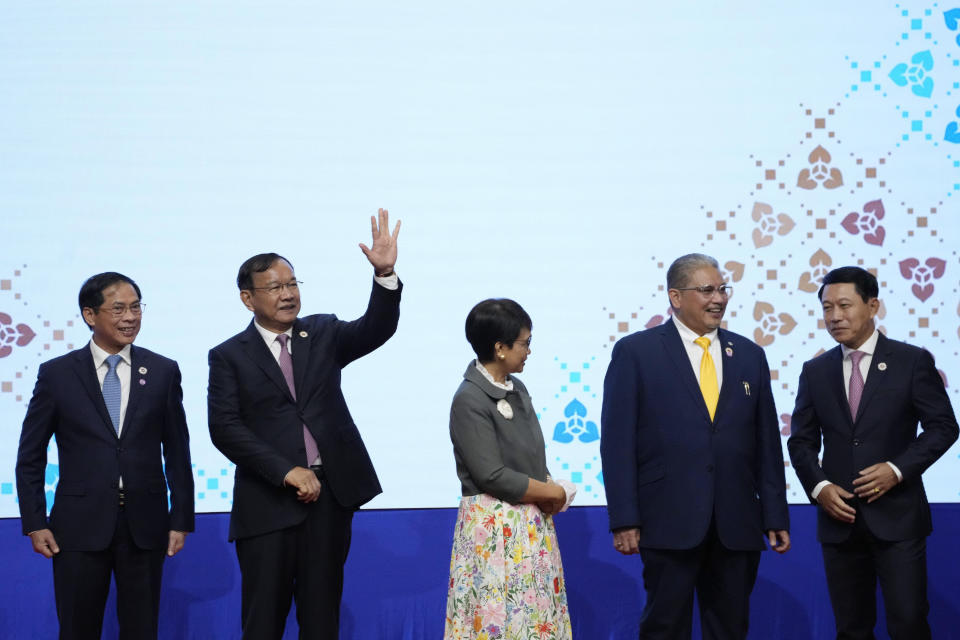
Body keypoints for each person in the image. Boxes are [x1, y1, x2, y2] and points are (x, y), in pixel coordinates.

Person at [207, 208, 401, 640]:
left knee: (321, 621)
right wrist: (285, 470)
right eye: (275, 287)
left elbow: (376, 328)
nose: (287, 293)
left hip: (329, 501)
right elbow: (224, 428)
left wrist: (385, 276)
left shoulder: (324, 333)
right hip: (267, 506)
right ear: (247, 298)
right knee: (263, 623)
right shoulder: (228, 356)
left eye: (292, 283)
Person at [600, 253, 790, 640]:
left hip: (736, 523)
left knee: (730, 628)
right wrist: (624, 518)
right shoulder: (637, 352)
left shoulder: (750, 355)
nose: (718, 298)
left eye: (723, 289)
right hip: (667, 520)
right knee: (665, 627)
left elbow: (766, 441)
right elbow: (617, 442)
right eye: (706, 290)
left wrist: (774, 514)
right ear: (675, 296)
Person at [15, 272, 194, 640]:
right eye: (118, 309)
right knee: (78, 628)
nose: (130, 317)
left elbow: (177, 450)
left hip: (145, 524)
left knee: (142, 629)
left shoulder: (162, 371)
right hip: (77, 526)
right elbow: (30, 454)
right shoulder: (57, 375)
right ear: (90, 315)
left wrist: (181, 518)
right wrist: (35, 521)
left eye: (135, 307)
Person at [787, 266, 958, 640]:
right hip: (840, 520)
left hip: (897, 518)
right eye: (827, 307)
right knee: (851, 628)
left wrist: (897, 469)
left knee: (908, 623)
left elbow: (944, 427)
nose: (835, 316)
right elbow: (800, 441)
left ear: (873, 305)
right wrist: (819, 489)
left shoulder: (911, 361)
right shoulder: (815, 371)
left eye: (845, 305)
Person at [444, 298, 574, 640]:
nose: (529, 350)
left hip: (530, 524)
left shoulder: (518, 389)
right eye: (524, 343)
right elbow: (491, 475)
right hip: (494, 529)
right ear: (500, 348)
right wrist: (555, 492)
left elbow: (532, 455)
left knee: (536, 621)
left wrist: (547, 488)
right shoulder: (469, 398)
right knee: (499, 621)